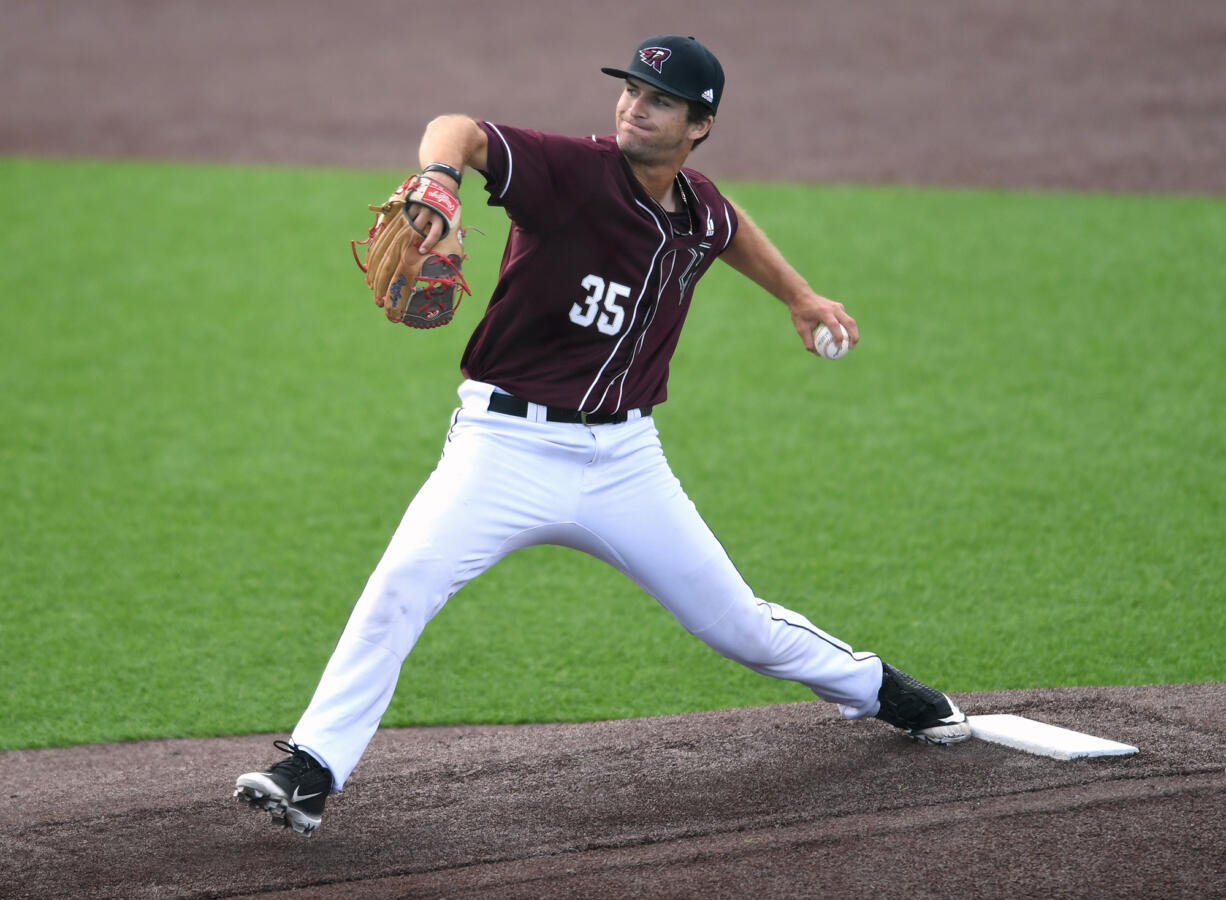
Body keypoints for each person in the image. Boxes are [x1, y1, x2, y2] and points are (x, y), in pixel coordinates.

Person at [234, 34, 971, 837]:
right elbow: (463, 129)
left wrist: (799, 295)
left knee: (737, 623)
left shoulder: (697, 207)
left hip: (625, 463)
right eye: (629, 91)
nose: (633, 106)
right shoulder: (571, 175)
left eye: (657, 100)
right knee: (401, 586)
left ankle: (878, 690)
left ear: (700, 124)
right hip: (503, 450)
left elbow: (728, 230)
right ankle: (310, 767)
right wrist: (441, 178)